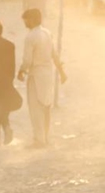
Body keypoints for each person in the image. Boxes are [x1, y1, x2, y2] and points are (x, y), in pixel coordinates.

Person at [18, 8, 66, 148]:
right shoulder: (47, 33)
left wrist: (21, 71)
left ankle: (39, 140)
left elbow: (27, 60)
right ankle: (45, 137)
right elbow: (55, 55)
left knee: (35, 108)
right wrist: (61, 72)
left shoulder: (31, 36)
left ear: (32, 19)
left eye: (26, 19)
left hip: (36, 75)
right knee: (46, 106)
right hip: (48, 74)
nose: (25, 23)